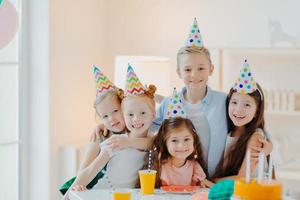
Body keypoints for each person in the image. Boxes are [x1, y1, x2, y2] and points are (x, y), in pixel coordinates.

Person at [151, 18, 227, 177]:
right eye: (187, 69)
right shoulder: (169, 103)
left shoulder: (223, 102)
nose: (194, 75)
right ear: (179, 72)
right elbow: (145, 129)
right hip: (178, 179)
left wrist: (259, 135)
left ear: (211, 69)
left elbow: (246, 125)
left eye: (201, 68)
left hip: (212, 179)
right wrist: (108, 129)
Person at [213, 60, 273, 181]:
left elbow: (243, 177)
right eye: (234, 102)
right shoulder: (228, 132)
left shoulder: (256, 137)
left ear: (257, 111)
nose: (238, 110)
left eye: (247, 105)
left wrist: (210, 181)